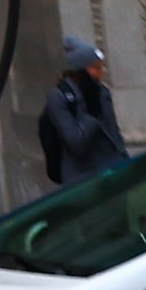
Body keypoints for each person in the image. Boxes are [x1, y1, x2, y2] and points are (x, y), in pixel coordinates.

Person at [37, 33, 124, 187]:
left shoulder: (102, 92)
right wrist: (91, 114)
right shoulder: (59, 97)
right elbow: (76, 142)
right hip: (84, 183)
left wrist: (123, 160)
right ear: (81, 70)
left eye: (102, 67)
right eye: (96, 68)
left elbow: (113, 134)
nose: (101, 73)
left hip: (112, 176)